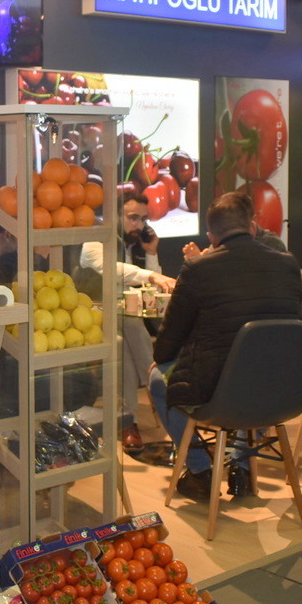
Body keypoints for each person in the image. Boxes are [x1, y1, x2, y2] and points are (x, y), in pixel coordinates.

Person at [150, 192, 302, 499]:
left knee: (158, 379)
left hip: (221, 393)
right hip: (286, 388)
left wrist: (163, 358)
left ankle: (201, 472)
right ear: (252, 227)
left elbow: (168, 342)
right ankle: (242, 468)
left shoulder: (198, 269)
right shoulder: (288, 265)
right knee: (259, 369)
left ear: (211, 236)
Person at [79, 192, 176, 451]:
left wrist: (151, 253)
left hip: (119, 319)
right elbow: (111, 268)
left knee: (122, 342)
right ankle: (157, 383)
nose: (139, 225)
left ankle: (129, 419)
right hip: (88, 316)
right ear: (114, 215)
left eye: (143, 219)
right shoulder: (94, 239)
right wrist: (150, 275)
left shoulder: (133, 245)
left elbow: (151, 288)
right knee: (129, 329)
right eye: (133, 218)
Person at [182, 190, 286, 260]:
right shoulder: (222, 240)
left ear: (253, 221)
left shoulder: (271, 244)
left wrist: (201, 265)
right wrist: (199, 261)